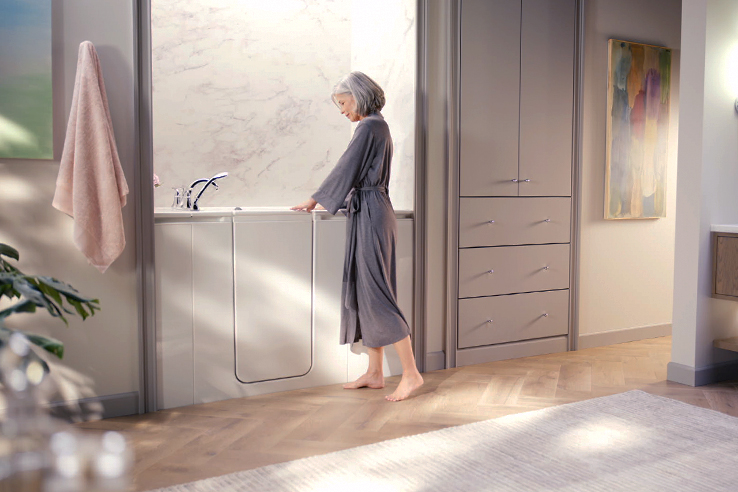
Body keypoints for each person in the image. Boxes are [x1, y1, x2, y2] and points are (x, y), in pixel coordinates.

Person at [291, 72, 423, 402]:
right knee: (365, 292)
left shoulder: (369, 126)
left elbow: (345, 166)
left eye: (343, 103)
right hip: (370, 210)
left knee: (378, 294)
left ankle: (411, 374)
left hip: (373, 214)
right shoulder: (376, 125)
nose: (341, 111)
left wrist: (315, 198)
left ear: (358, 96)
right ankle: (375, 373)